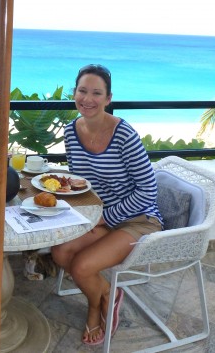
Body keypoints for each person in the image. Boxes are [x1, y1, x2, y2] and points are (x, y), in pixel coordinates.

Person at [50, 63, 162, 346]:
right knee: (60, 253)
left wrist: (106, 217)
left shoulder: (124, 134)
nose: (87, 99)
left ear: (108, 99)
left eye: (96, 93)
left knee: (82, 267)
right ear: (74, 92)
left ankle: (96, 306)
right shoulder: (70, 131)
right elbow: (80, 182)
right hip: (99, 216)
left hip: (139, 219)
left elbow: (148, 189)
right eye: (82, 91)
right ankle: (107, 293)